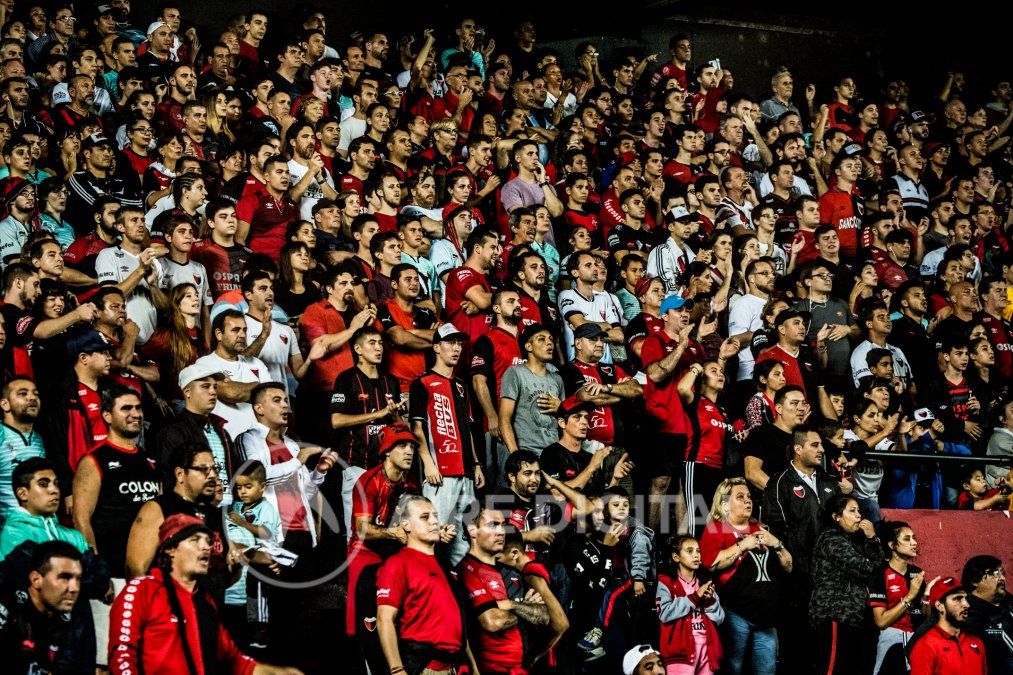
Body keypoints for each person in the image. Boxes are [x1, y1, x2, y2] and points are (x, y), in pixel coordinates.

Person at [109, 513, 301, 675]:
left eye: (208, 541)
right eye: (195, 540)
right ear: (170, 549)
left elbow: (235, 660)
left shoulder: (205, 602)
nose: (205, 547)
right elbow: (123, 655)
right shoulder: (143, 590)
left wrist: (279, 672)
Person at [457, 506, 568, 674]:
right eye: (493, 525)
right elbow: (493, 622)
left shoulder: (510, 572)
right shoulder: (466, 571)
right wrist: (525, 609)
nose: (501, 531)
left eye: (503, 525)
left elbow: (545, 616)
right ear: (472, 530)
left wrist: (510, 605)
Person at [699, 478, 791, 675]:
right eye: (740, 497)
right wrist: (742, 545)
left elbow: (789, 566)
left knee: (767, 669)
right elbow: (712, 563)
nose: (748, 501)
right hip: (736, 613)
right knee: (733, 667)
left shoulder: (761, 528)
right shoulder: (716, 527)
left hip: (767, 615)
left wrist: (777, 544)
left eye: (749, 497)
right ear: (724, 505)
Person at [410, 324, 484, 565]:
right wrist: (429, 464)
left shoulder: (462, 385)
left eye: (459, 343)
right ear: (436, 347)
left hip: (466, 473)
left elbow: (468, 430)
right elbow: (417, 429)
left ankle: (458, 593)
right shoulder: (422, 382)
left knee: (464, 540)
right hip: (440, 474)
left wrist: (476, 464)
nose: (456, 348)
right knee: (433, 535)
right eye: (450, 343)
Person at [375, 494, 472, 675]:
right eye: (425, 517)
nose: (435, 521)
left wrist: (473, 667)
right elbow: (384, 619)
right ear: (406, 525)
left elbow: (458, 621)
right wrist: (397, 670)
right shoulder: (397, 563)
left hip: (454, 666)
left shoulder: (444, 564)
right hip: (426, 667)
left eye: (435, 515)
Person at [809, 494, 885, 674]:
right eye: (852, 511)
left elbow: (878, 567)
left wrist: (871, 538)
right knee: (831, 669)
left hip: (849, 616)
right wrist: (871, 540)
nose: (859, 515)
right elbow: (867, 568)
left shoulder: (852, 540)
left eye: (859, 510)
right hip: (834, 614)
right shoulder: (831, 539)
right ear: (836, 517)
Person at [0, 541, 89, 675]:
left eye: (78, 579)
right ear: (36, 580)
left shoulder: (74, 614)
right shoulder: (7, 608)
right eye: (64, 577)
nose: (74, 588)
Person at [194, 309, 272, 439]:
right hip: (225, 442)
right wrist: (260, 387)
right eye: (236, 330)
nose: (242, 335)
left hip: (259, 442)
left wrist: (246, 388)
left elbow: (271, 398)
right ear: (219, 334)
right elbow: (230, 393)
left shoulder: (256, 364)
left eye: (244, 330)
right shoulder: (204, 364)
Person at [655, 534, 725, 675]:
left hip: (707, 650)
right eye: (690, 551)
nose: (696, 555)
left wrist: (709, 600)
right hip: (681, 653)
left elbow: (720, 618)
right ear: (676, 557)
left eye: (698, 551)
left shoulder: (704, 582)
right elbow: (664, 613)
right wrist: (695, 597)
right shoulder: (667, 583)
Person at [870, 521, 927, 675]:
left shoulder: (917, 573)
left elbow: (926, 616)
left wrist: (927, 597)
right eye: (907, 539)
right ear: (892, 545)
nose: (914, 543)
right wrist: (910, 596)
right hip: (889, 637)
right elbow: (881, 621)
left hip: (916, 638)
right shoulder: (880, 573)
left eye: (914, 538)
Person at [499, 323, 565, 456]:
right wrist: (516, 456)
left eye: (550, 339)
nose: (549, 343)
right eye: (541, 339)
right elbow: (504, 419)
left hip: (554, 453)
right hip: (527, 452)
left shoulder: (557, 379)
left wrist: (561, 408)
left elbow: (566, 421)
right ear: (528, 346)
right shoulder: (515, 373)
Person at [909, 578, 988, 675]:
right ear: (939, 606)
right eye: (957, 598)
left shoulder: (977, 643)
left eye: (966, 599)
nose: (966, 604)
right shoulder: (925, 646)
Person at [0, 377, 46, 527]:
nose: (32, 397)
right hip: (9, 532)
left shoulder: (40, 439)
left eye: (36, 393)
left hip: (41, 528)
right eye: (22, 393)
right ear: (5, 404)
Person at [962, 555, 1013, 675]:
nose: (1001, 578)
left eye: (1002, 572)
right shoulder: (964, 611)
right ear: (975, 581)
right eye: (993, 573)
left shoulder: (1010, 604)